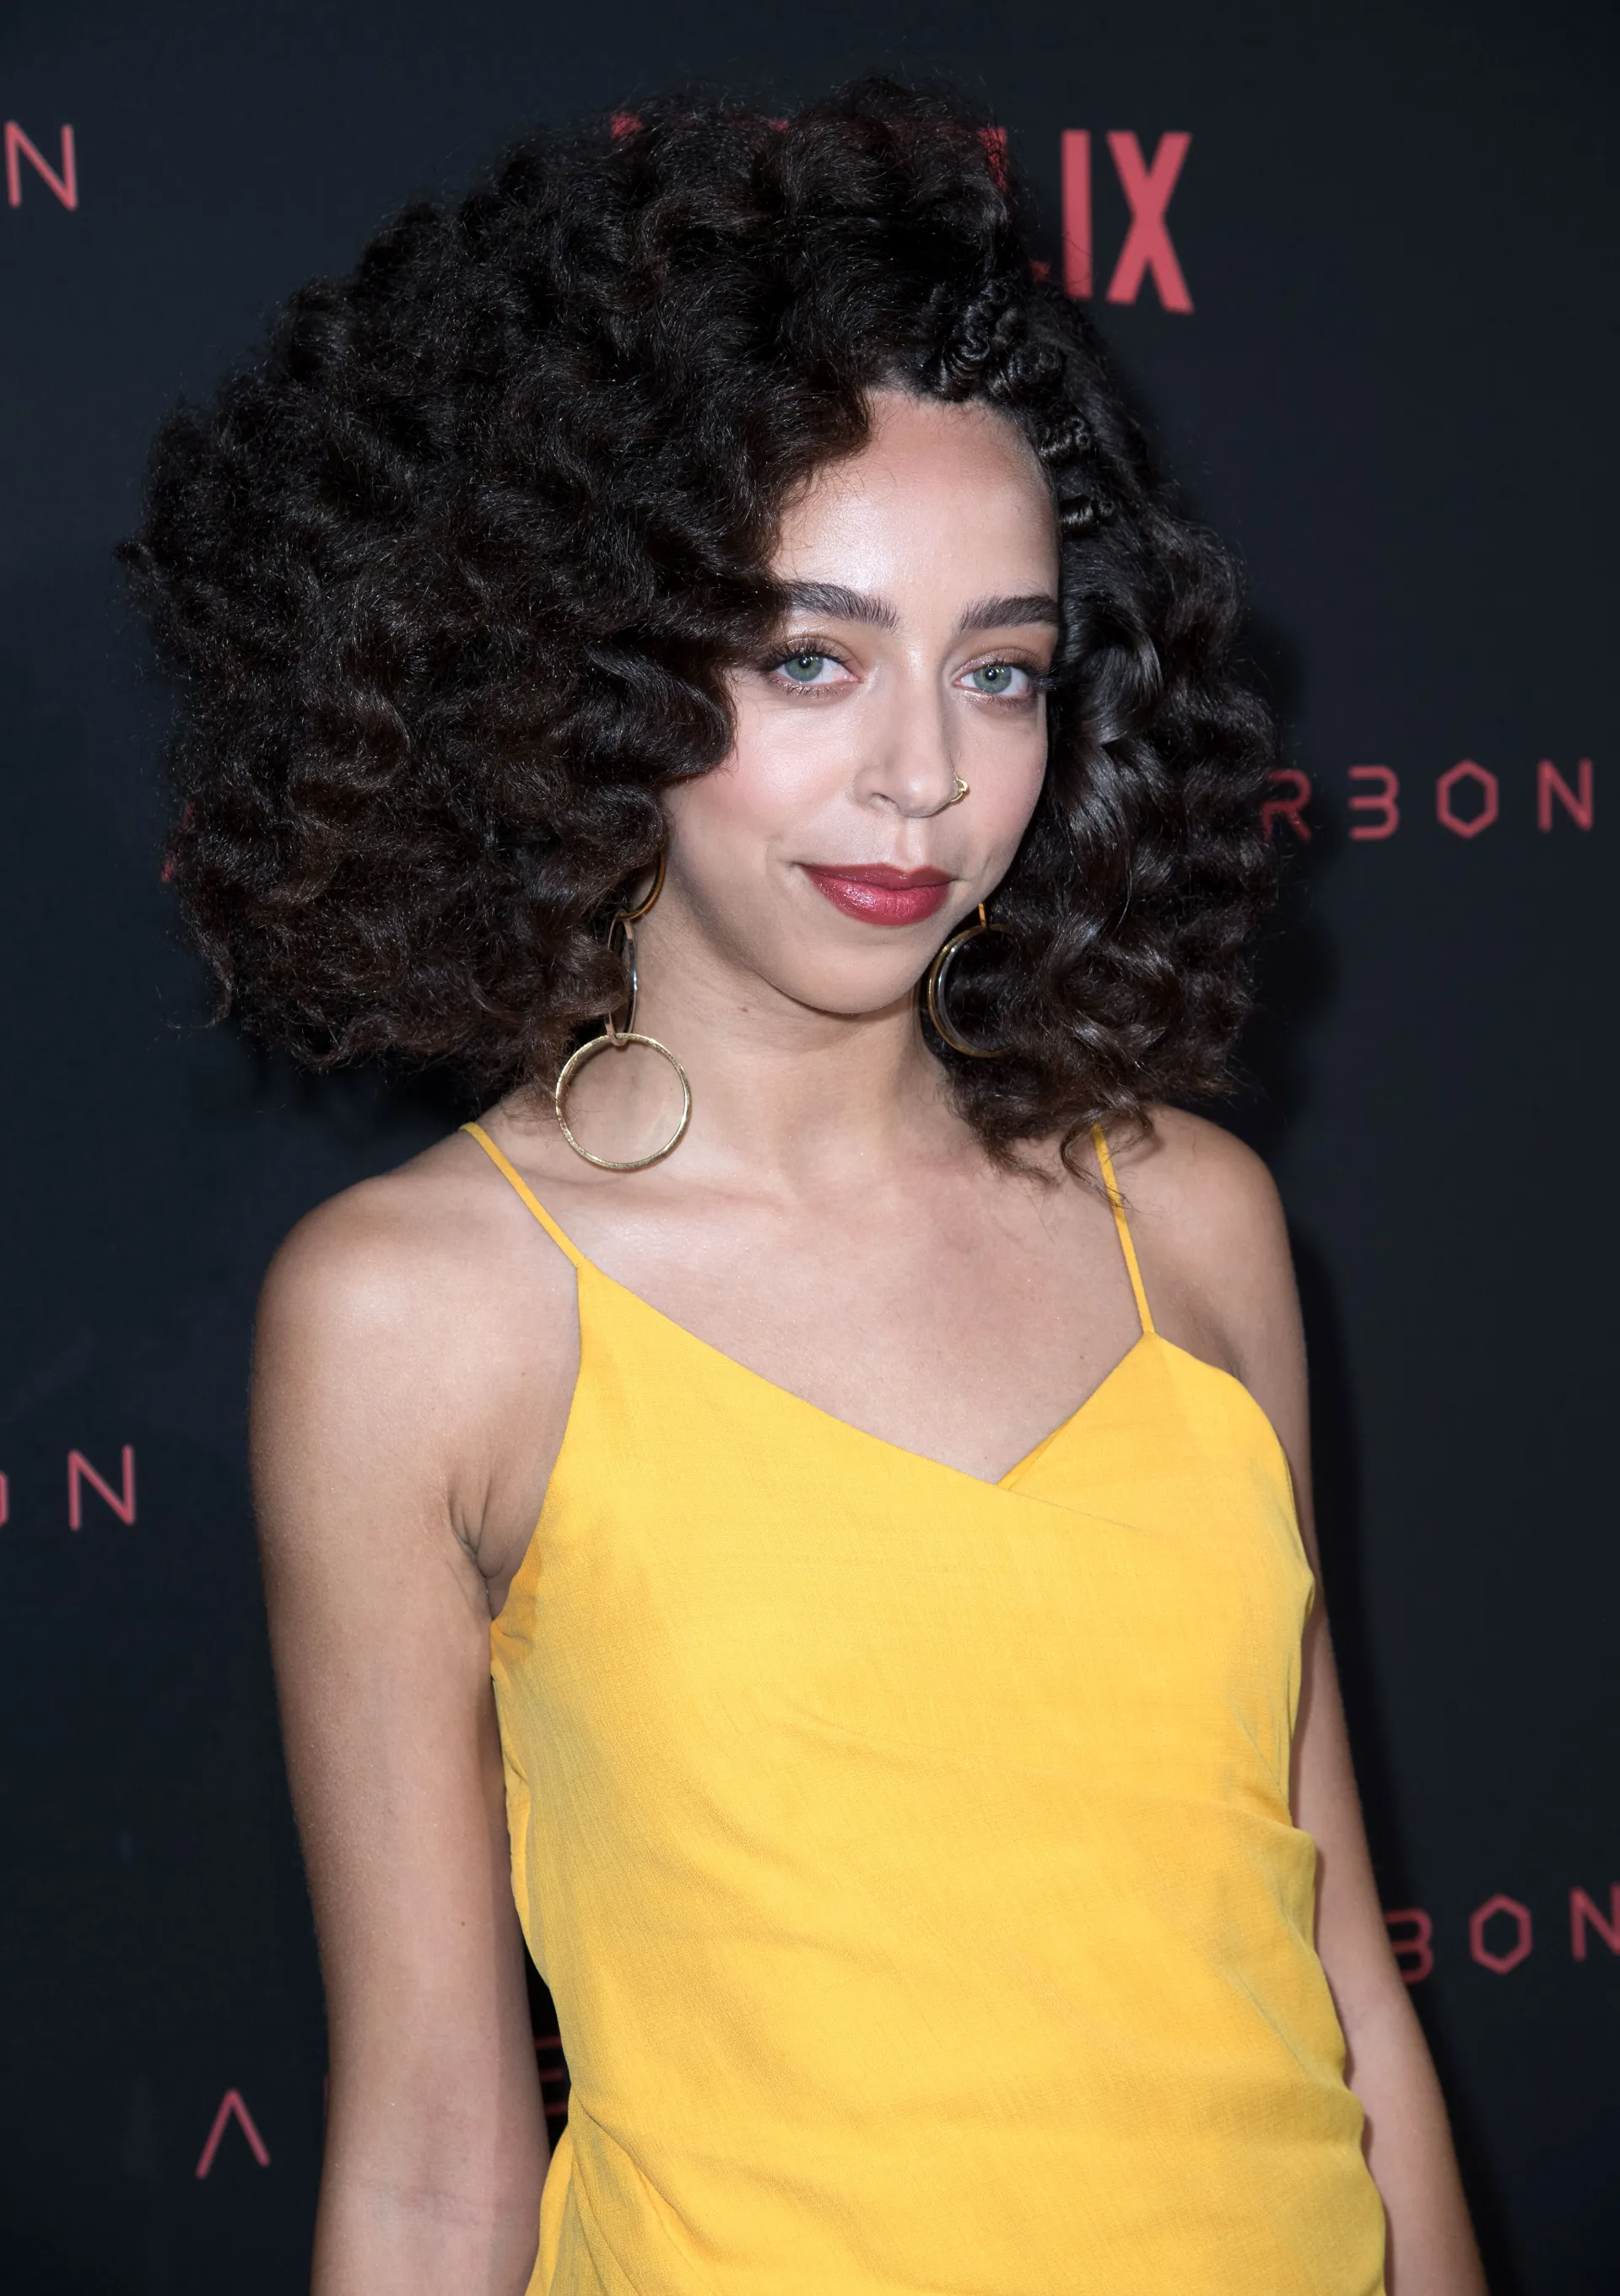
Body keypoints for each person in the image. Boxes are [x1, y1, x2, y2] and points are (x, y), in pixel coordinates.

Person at [124, 83, 1485, 2296]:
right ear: (589, 671)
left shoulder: (1191, 1222)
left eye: (1002, 670)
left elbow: (1343, 1982)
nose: (926, 776)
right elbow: (434, 2166)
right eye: (809, 658)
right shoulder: (423, 1311)